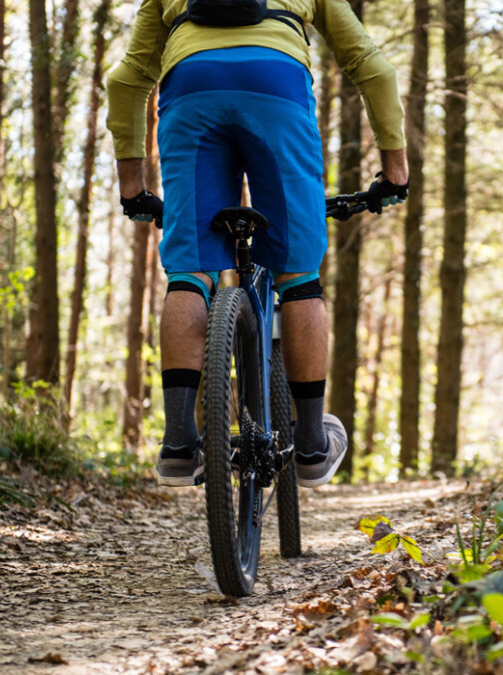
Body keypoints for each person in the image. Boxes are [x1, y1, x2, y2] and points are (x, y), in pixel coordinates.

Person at [105, 0, 409, 488]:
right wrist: (395, 172)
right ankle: (310, 446)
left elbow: (126, 80)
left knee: (189, 271)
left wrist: (132, 186)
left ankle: (180, 443)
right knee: (299, 276)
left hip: (191, 90)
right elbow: (373, 68)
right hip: (277, 88)